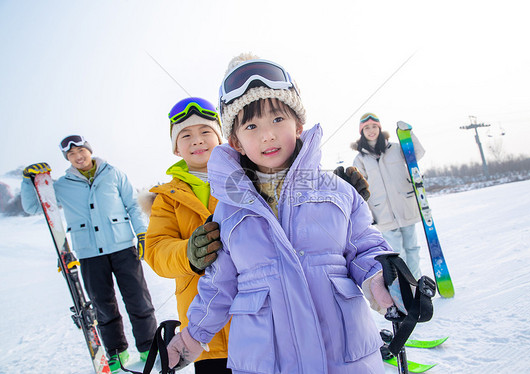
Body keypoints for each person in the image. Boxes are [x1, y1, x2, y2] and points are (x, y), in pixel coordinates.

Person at [166, 54, 396, 374]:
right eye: (251, 126)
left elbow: (366, 248)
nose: (267, 135)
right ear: (237, 143)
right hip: (268, 364)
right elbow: (218, 288)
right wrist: (191, 337)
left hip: (346, 361)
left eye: (277, 119)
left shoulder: (337, 192)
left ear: (298, 125)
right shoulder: (229, 214)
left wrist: (385, 283)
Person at [21, 135, 158, 372]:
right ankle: (117, 354)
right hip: (89, 255)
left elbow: (132, 205)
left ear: (89, 150)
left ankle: (149, 348)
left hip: (123, 247)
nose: (78, 157)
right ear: (67, 159)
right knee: (102, 306)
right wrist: (27, 181)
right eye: (71, 155)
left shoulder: (112, 174)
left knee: (139, 300)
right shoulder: (62, 185)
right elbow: (33, 207)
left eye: (81, 151)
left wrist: (142, 234)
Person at [140, 97, 231, 374]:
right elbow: (156, 250)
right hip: (203, 337)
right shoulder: (167, 198)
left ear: (220, 138)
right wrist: (188, 254)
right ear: (176, 148)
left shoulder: (246, 179)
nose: (197, 141)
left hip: (258, 324)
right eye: (186, 135)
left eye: (205, 132)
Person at [352, 113, 426, 278]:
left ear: (379, 128)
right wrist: (367, 214)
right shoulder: (360, 159)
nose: (371, 131)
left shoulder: (395, 149)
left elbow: (417, 154)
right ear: (361, 132)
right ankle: (407, 287)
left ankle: (416, 283)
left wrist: (409, 134)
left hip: (405, 205)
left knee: (412, 248)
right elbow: (359, 191)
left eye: (374, 127)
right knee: (396, 253)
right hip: (382, 212)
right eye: (366, 128)